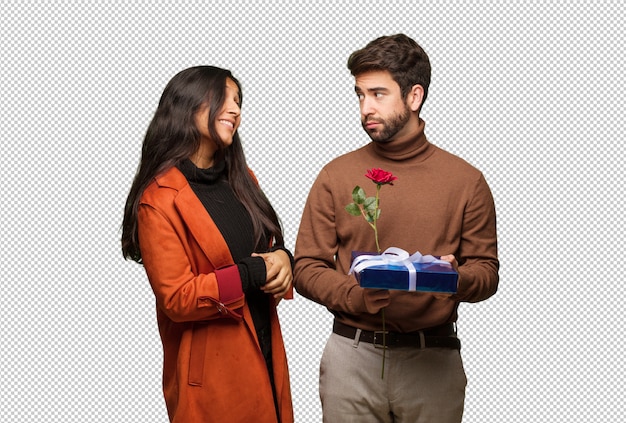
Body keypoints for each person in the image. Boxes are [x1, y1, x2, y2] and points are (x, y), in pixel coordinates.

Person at [293, 34, 499, 423]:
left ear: (414, 96)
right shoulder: (335, 175)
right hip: (351, 359)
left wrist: (455, 278)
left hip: (433, 360)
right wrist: (356, 297)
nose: (365, 107)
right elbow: (306, 267)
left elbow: (487, 273)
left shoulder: (466, 180)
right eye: (359, 95)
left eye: (378, 94)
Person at [121, 66, 294, 423]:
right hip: (212, 376)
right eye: (224, 98)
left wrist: (282, 257)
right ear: (188, 105)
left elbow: (265, 248)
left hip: (264, 349)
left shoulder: (243, 179)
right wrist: (252, 271)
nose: (235, 110)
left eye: (238, 101)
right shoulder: (160, 199)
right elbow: (177, 298)